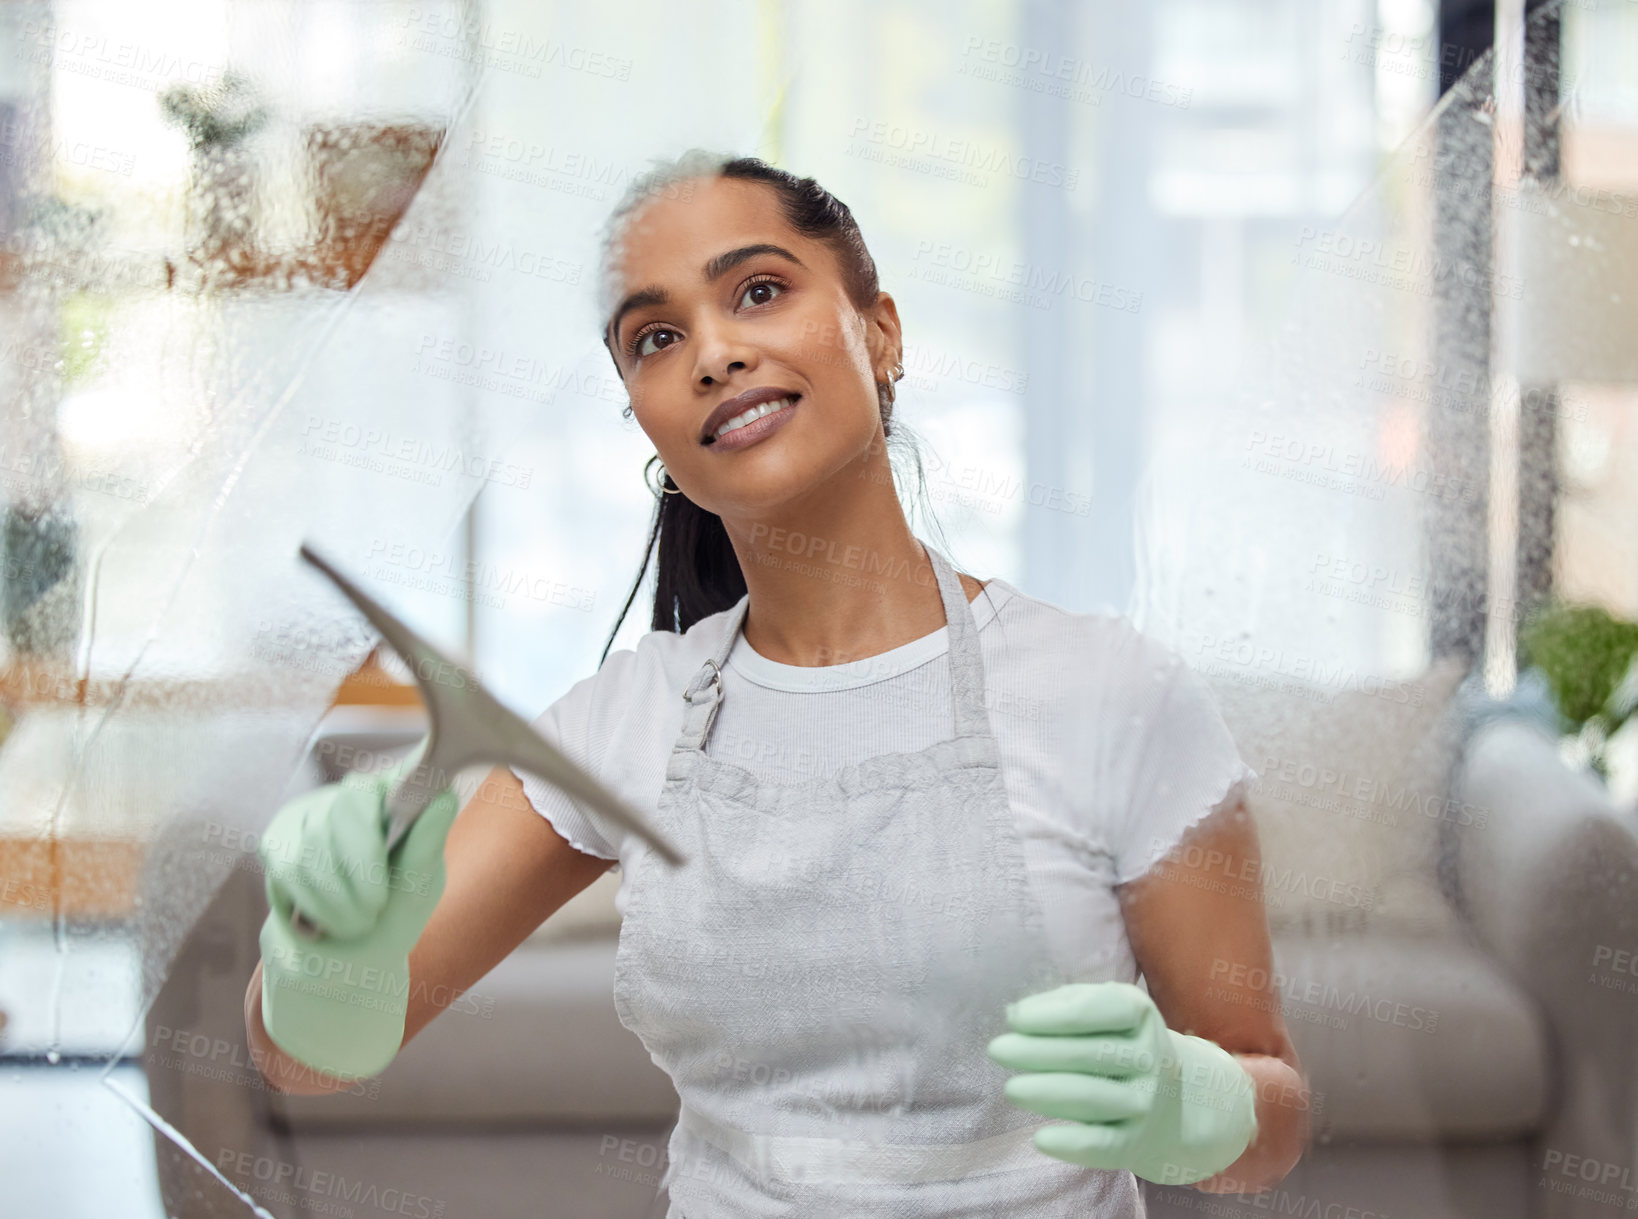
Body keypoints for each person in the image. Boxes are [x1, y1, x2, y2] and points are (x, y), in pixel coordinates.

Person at [245, 150, 1309, 1216]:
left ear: (879, 330)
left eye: (758, 290)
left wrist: (1196, 1106)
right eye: (655, 338)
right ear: (649, 422)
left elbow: (1271, 1111)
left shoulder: (1112, 693)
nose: (713, 352)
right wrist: (328, 958)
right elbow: (306, 1058)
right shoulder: (627, 720)